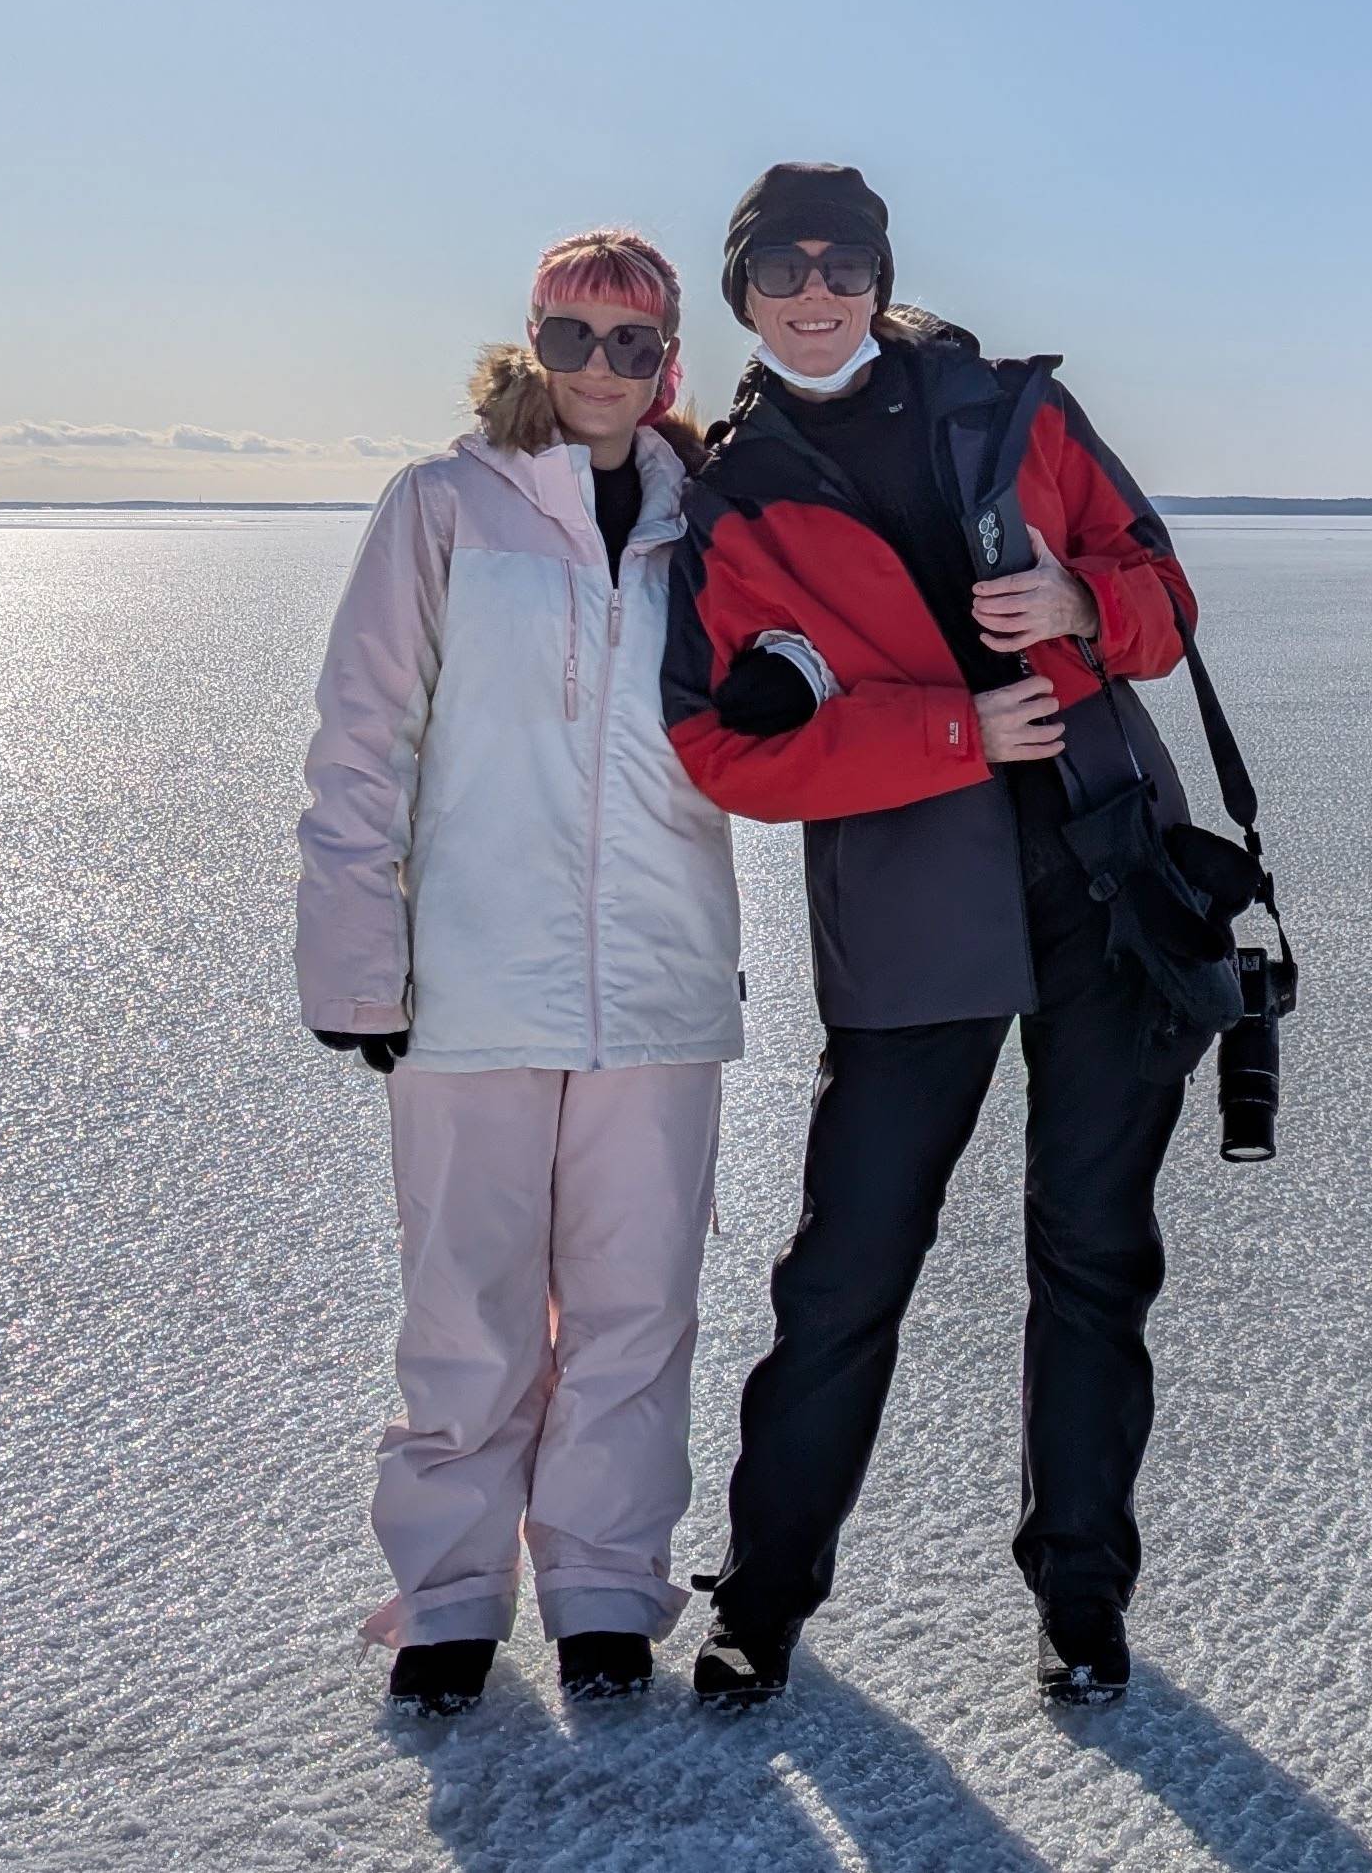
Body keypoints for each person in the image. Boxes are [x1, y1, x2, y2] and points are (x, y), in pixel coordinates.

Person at [659, 161, 1208, 1711]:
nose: (815, 288)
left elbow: (1166, 590)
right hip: (912, 909)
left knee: (1094, 1258)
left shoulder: (1011, 410)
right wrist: (960, 733)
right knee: (849, 1266)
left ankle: (1083, 1598)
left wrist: (1089, 610)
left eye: (842, 260)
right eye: (781, 266)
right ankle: (764, 1598)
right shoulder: (735, 495)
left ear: (880, 273)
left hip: (1108, 884)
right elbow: (722, 748)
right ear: (745, 293)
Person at [292, 228, 744, 1716]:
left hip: (662, 981)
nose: (601, 371)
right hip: (474, 985)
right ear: (529, 346)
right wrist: (360, 964)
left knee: (636, 1296)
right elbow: (364, 741)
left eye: (632, 346)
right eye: (573, 337)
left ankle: (608, 1585)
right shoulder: (442, 508)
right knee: (469, 1300)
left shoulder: (712, 525)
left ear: (668, 363)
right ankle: (450, 1595)